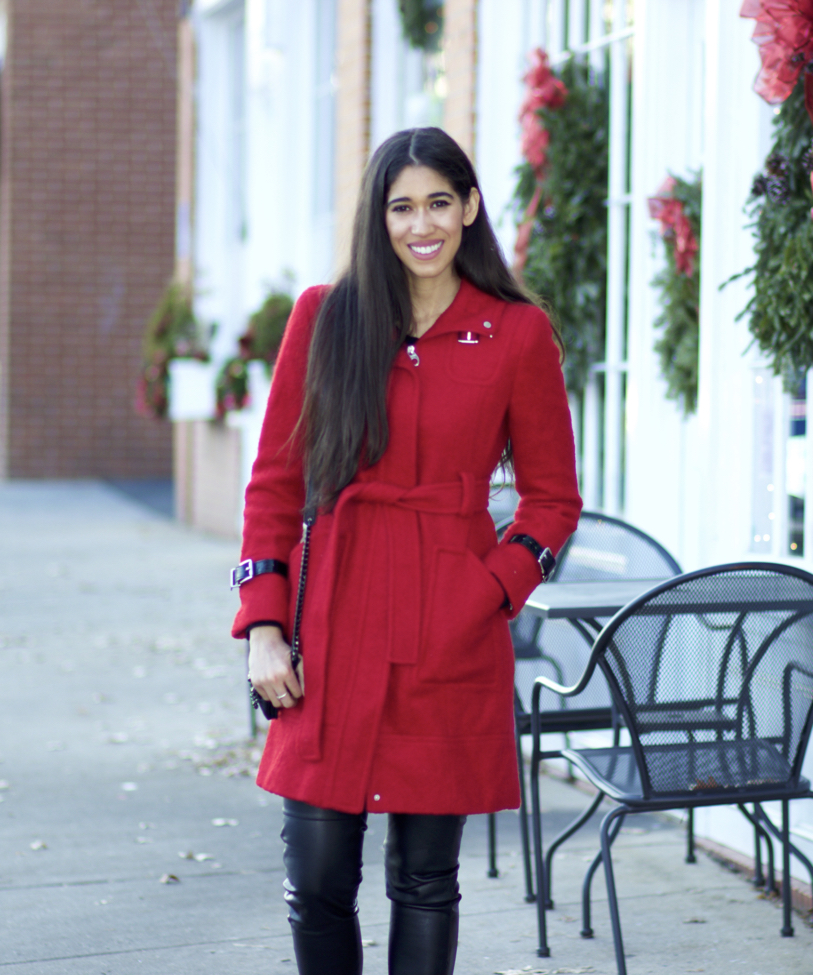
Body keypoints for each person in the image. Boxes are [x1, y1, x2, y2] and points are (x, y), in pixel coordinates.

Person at [231, 126, 581, 975]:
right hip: (333, 627)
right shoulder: (326, 316)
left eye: (436, 202)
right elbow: (275, 483)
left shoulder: (516, 333)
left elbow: (552, 502)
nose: (420, 224)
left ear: (466, 209)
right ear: (377, 216)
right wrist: (264, 625)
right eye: (400, 206)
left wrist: (487, 591)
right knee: (314, 880)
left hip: (448, 634)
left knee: (425, 881)